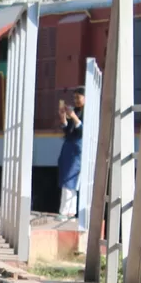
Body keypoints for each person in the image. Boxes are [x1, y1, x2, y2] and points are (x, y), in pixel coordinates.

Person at [58, 88, 85, 219]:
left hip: (77, 149)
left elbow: (83, 131)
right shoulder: (76, 111)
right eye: (74, 98)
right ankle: (71, 211)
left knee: (70, 178)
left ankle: (64, 211)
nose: (76, 101)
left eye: (78, 98)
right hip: (68, 147)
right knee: (67, 178)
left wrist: (73, 117)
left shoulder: (88, 112)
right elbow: (68, 131)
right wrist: (63, 118)